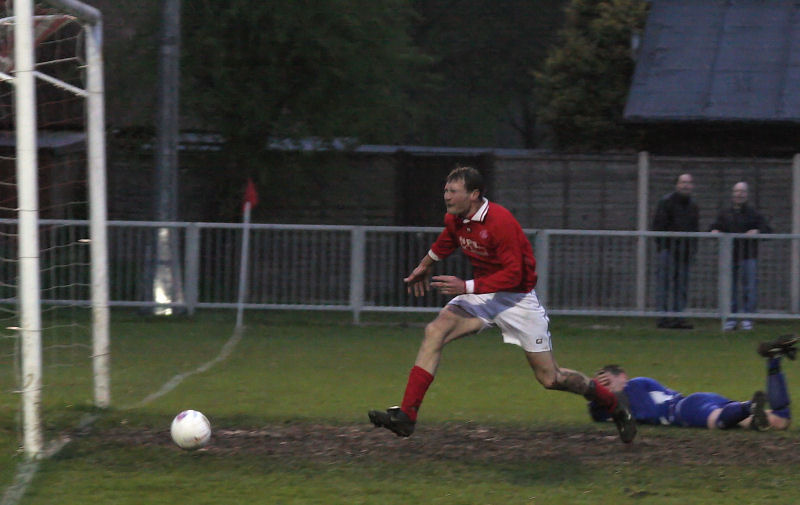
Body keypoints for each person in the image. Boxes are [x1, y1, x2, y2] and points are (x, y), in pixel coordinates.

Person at [367, 166, 637, 443]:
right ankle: (407, 415)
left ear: (474, 194)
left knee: (551, 378)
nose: (446, 196)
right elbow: (447, 240)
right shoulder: (456, 218)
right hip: (483, 296)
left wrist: (467, 286)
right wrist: (425, 266)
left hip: (517, 299)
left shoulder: (500, 221)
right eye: (445, 190)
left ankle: (616, 406)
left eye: (453, 191)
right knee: (435, 331)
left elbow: (514, 275)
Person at [587, 334, 798, 431]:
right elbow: (599, 415)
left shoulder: (636, 385)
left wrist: (604, 395)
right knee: (780, 421)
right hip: (700, 402)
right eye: (602, 383)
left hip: (685, 409)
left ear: (623, 375)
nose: (607, 387)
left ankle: (748, 406)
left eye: (608, 380)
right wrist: (596, 395)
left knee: (717, 422)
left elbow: (637, 413)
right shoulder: (615, 402)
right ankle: (774, 361)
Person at [710, 181, 772, 331]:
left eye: (742, 192)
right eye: (737, 191)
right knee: (729, 289)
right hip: (730, 256)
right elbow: (714, 226)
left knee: (749, 288)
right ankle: (730, 319)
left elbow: (767, 229)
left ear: (746, 195)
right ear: (732, 194)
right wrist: (714, 231)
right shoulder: (725, 213)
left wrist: (758, 231)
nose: (739, 194)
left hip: (748, 256)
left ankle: (747, 319)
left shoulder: (753, 213)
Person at [652, 173, 700, 329]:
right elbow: (658, 225)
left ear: (692, 186)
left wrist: (692, 248)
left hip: (685, 252)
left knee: (682, 287)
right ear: (677, 185)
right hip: (668, 250)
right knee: (664, 285)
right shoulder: (666, 202)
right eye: (683, 182)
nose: (686, 185)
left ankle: (679, 318)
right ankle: (663, 318)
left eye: (688, 182)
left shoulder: (693, 206)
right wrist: (664, 246)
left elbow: (695, 229)